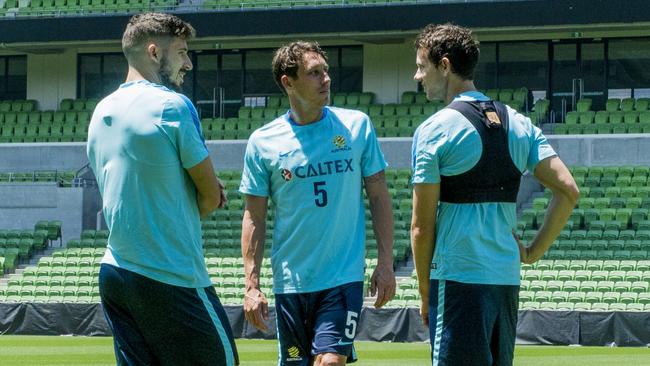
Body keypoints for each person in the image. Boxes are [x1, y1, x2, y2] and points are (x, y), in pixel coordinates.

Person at [410, 24, 579, 366]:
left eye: (421, 66)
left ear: (444, 65)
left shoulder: (433, 130)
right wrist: (531, 253)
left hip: (458, 279)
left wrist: (426, 291)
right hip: (505, 280)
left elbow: (421, 228)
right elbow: (568, 190)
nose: (417, 76)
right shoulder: (520, 123)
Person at [87, 13, 239, 366]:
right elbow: (210, 197)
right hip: (169, 273)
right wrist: (206, 194)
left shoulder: (100, 111)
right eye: (183, 51)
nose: (188, 62)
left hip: (115, 273)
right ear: (154, 53)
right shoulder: (172, 106)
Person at [239, 41, 396, 366]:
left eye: (326, 71)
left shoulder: (356, 126)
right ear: (288, 82)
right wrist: (251, 285)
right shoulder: (263, 141)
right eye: (314, 73)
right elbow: (254, 216)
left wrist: (385, 263)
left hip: (343, 276)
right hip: (291, 281)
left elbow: (379, 196)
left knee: (329, 361)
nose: (326, 79)